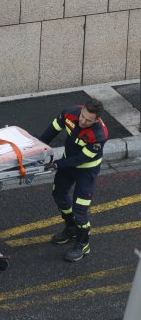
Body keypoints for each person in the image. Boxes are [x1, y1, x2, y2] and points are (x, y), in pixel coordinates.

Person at [38, 100, 108, 262]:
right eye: (83, 116)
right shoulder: (69, 113)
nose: (83, 121)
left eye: (88, 120)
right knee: (59, 194)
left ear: (96, 120)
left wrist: (56, 164)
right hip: (68, 163)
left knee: (80, 209)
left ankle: (83, 244)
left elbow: (81, 159)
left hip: (87, 170)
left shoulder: (99, 135)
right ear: (82, 109)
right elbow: (50, 133)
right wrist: (37, 150)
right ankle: (71, 227)